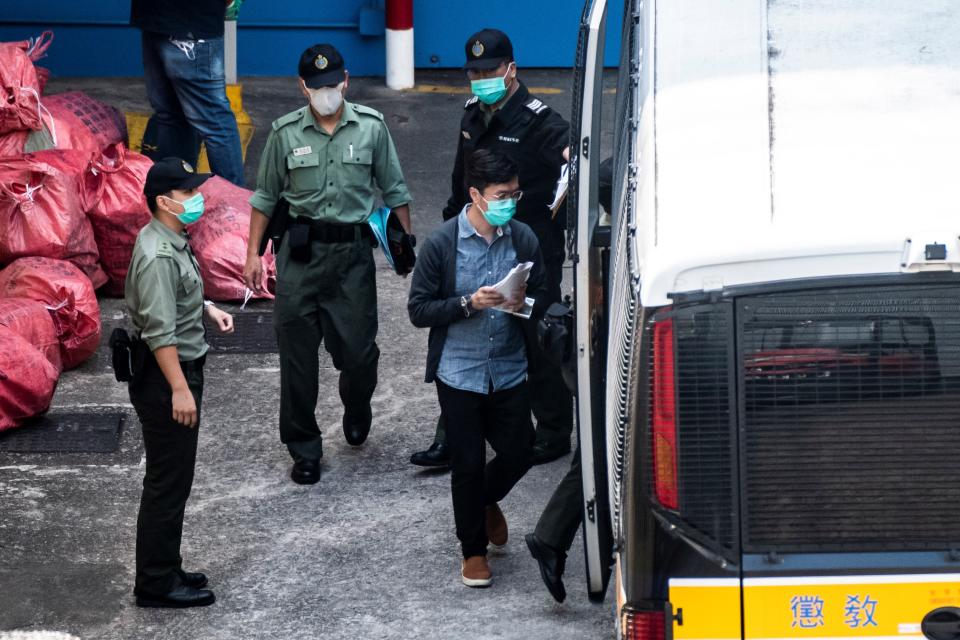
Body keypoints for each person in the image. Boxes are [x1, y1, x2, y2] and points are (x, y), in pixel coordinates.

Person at [243, 44, 412, 485]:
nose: (326, 92)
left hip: (352, 260)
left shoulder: (372, 128)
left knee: (358, 355)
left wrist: (403, 247)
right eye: (316, 86)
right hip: (300, 260)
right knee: (297, 360)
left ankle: (357, 405)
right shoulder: (284, 134)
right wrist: (252, 255)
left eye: (332, 84)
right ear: (303, 87)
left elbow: (394, 191)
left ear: (346, 80)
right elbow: (264, 199)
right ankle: (304, 447)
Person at [410, 28, 573, 470]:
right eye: (474, 72)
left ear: (511, 70)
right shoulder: (473, 115)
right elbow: (460, 178)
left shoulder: (537, 120)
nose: (481, 78)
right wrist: (449, 227)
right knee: (463, 332)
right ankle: (453, 435)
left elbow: (573, 154)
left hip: (527, 245)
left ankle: (554, 431)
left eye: (490, 70)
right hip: (474, 239)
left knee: (536, 334)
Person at [408, 149, 547, 588]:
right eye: (501, 195)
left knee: (521, 450)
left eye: (515, 193)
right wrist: (469, 303)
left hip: (508, 367)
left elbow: (543, 294)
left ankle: (484, 501)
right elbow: (418, 310)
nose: (510, 201)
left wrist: (520, 302)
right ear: (475, 195)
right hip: (460, 371)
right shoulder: (442, 244)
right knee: (466, 463)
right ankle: (472, 550)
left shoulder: (522, 238)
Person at [126, 157, 235, 608]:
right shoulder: (155, 254)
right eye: (189, 193)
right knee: (168, 483)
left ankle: (166, 565)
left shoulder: (171, 238)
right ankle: (154, 583)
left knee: (176, 479)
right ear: (164, 201)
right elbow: (158, 332)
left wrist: (206, 307)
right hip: (166, 377)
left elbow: (178, 294)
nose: (197, 199)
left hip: (176, 371)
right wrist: (180, 389)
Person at [526, 156, 614, 603]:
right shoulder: (614, 232)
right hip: (598, 352)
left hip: (595, 348)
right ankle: (551, 538)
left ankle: (552, 538)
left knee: (599, 454)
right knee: (601, 454)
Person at [131, 0, 245, 186]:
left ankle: (232, 205)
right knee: (169, 115)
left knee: (214, 122)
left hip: (192, 23)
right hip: (154, 20)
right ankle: (175, 192)